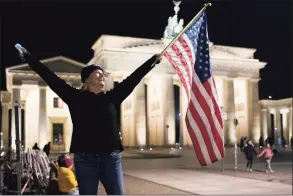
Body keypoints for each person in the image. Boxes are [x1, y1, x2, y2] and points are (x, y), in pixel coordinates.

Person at [15, 44, 161, 195]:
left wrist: (152, 61)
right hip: (85, 160)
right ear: (87, 80)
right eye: (98, 73)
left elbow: (133, 79)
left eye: (103, 74)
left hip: (111, 158)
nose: (102, 76)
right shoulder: (75, 97)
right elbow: (50, 78)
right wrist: (28, 58)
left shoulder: (112, 97)